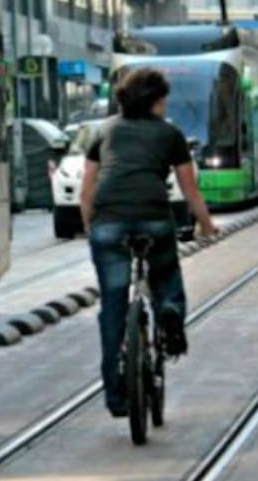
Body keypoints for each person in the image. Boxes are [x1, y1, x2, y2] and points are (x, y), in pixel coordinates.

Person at [79, 67, 218, 418]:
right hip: (154, 219)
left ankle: (116, 395)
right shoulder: (170, 134)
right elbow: (190, 190)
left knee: (113, 306)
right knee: (165, 274)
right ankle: (169, 310)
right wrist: (206, 225)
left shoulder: (104, 131)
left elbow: (87, 191)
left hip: (109, 223)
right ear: (156, 101)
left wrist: (91, 227)